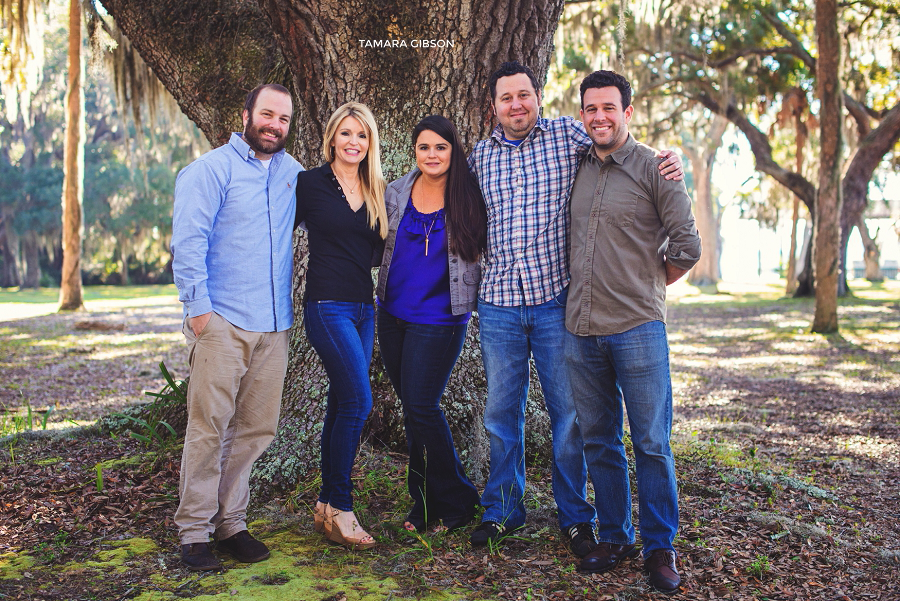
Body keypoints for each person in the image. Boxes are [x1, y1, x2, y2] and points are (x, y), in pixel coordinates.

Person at [466, 61, 684, 557]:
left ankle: (574, 517)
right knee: (502, 413)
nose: (516, 105)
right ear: (494, 107)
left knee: (569, 417)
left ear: (538, 97)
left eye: (524, 95)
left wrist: (666, 163)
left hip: (554, 303)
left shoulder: (569, 136)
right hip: (498, 303)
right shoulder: (479, 156)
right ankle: (503, 510)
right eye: (506, 98)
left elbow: (619, 141)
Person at [564, 70, 700, 594]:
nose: (599, 116)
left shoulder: (655, 169)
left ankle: (660, 546)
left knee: (650, 442)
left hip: (638, 328)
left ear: (628, 111)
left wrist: (647, 283)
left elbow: (686, 246)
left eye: (609, 107)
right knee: (599, 439)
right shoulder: (573, 164)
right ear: (582, 115)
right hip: (579, 326)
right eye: (590, 108)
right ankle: (615, 536)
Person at [171, 83, 303, 571]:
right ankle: (194, 532)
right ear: (245, 114)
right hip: (222, 320)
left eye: (283, 119)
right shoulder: (210, 170)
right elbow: (188, 242)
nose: (274, 125)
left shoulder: (292, 175)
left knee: (254, 430)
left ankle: (232, 524)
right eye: (267, 114)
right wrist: (200, 312)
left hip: (275, 326)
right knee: (208, 427)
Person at [375, 115, 487, 533]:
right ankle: (422, 502)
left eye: (441, 147)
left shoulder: (469, 196)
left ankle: (458, 498)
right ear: (414, 151)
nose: (432, 155)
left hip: (440, 319)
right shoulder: (396, 192)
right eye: (424, 147)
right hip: (391, 314)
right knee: (413, 412)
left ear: (453, 150)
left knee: (422, 405)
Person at [296, 102, 388, 550]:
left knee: (341, 403)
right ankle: (343, 507)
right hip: (326, 306)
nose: (354, 142)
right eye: (346, 134)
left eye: (362, 136)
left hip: (363, 309)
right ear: (332, 137)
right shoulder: (309, 183)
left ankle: (324, 506)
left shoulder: (376, 188)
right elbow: (271, 231)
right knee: (359, 400)